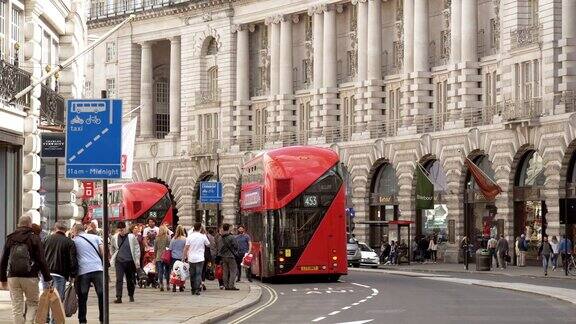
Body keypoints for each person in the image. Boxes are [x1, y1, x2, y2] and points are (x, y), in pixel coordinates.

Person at [0, 215, 53, 324]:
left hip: (13, 276)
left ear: (18, 224)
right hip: (31, 276)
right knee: (32, 303)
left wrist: (3, 279)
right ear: (30, 224)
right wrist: (47, 278)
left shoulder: (10, 238)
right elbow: (42, 260)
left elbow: (4, 259)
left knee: (17, 306)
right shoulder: (34, 238)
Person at [42, 221, 78, 324]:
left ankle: (45, 318)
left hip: (46, 274)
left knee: (46, 297)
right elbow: (73, 260)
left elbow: (41, 256)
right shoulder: (69, 242)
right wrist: (73, 274)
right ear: (66, 230)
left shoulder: (46, 239)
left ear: (55, 228)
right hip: (60, 274)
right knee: (57, 299)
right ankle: (54, 321)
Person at [71, 223, 104, 324]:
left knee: (82, 296)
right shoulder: (95, 237)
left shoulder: (74, 241)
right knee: (101, 294)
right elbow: (103, 252)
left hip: (83, 271)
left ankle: (82, 320)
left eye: (73, 230)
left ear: (76, 231)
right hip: (97, 268)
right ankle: (102, 318)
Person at [111, 221, 141, 303]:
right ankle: (119, 297)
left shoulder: (131, 237)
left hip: (130, 261)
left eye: (123, 229)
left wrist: (137, 259)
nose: (122, 231)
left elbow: (137, 249)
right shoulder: (114, 237)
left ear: (126, 228)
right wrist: (114, 255)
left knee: (130, 279)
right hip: (119, 261)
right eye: (120, 230)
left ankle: (131, 295)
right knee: (119, 279)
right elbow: (112, 248)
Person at [183, 222, 210, 295]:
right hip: (200, 258)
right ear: (200, 228)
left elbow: (186, 248)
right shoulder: (203, 236)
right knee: (198, 274)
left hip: (191, 258)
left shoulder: (189, 236)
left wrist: (183, 257)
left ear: (194, 228)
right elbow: (208, 244)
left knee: (192, 274)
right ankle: (197, 289)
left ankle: (193, 289)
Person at [217, 223, 240, 290]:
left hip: (223, 257)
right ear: (229, 228)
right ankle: (231, 286)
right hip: (231, 256)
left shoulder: (220, 237)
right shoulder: (231, 237)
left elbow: (219, 247)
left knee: (225, 271)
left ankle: (226, 286)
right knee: (233, 271)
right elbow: (236, 246)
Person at [169, 225, 187, 292]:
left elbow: (170, 248)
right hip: (182, 257)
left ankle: (174, 286)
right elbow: (186, 248)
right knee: (182, 272)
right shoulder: (184, 239)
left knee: (175, 272)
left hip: (174, 257)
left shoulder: (173, 239)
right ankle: (181, 286)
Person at [154, 225, 171, 291]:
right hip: (166, 256)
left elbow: (155, 249)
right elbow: (169, 247)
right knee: (167, 271)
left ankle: (161, 284)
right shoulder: (168, 237)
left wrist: (155, 257)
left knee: (160, 271)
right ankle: (168, 284)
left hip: (159, 256)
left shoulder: (157, 238)